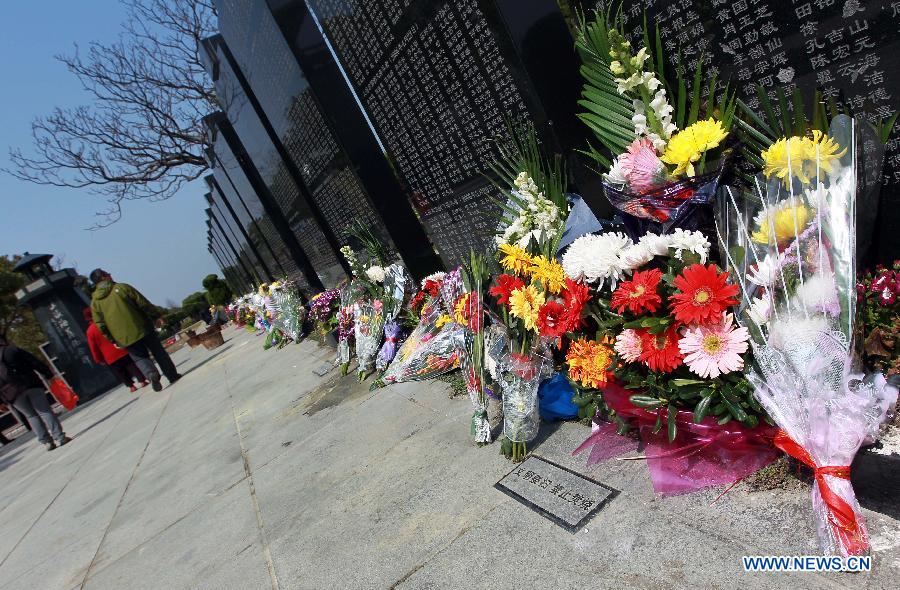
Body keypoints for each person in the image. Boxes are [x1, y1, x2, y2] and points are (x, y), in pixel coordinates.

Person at [89, 269, 182, 392]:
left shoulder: (95, 303)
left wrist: (112, 339)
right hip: (143, 327)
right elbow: (143, 303)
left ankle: (151, 374)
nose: (111, 275)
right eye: (108, 274)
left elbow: (100, 324)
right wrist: (156, 316)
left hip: (124, 337)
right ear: (103, 277)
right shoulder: (122, 288)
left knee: (139, 358)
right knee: (158, 352)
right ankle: (172, 376)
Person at [0, 337, 71, 451]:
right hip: (30, 384)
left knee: (31, 416)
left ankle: (47, 442)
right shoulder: (12, 350)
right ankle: (60, 437)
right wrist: (48, 374)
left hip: (12, 393)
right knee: (45, 411)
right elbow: (33, 361)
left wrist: (1, 402)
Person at [83, 308, 148, 392]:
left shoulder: (90, 331)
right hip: (120, 348)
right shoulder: (106, 322)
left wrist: (98, 359)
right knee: (131, 365)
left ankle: (131, 386)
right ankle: (142, 381)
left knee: (120, 372)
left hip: (109, 356)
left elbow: (93, 348)